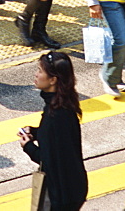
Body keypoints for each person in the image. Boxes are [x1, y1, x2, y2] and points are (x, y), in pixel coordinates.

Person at [18, 52, 87, 210]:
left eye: (40, 71)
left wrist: (27, 146)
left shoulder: (55, 115)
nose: (36, 74)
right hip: (73, 187)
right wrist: (35, 132)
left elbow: (46, 159)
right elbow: (57, 141)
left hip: (61, 195)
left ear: (53, 80)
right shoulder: (65, 103)